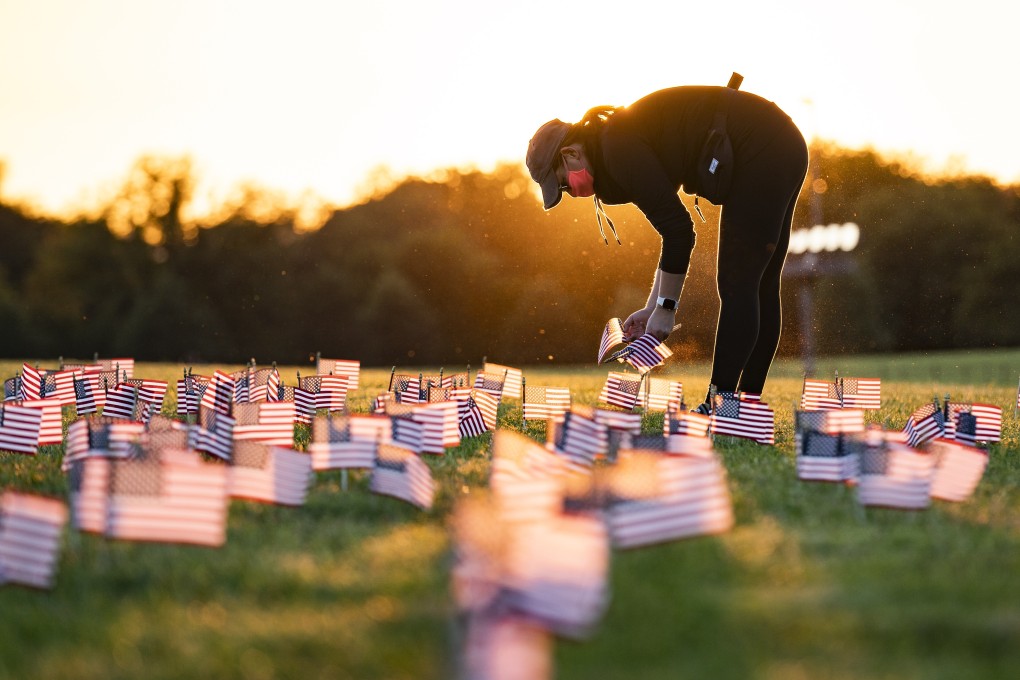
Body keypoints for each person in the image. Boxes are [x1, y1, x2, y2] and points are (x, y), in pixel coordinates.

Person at [526, 83, 809, 412]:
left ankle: (722, 408)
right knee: (757, 286)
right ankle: (741, 409)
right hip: (779, 141)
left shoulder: (618, 149)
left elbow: (679, 231)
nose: (570, 192)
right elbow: (673, 232)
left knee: (737, 285)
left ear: (571, 153)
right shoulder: (614, 142)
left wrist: (666, 308)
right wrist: (651, 309)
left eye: (562, 182)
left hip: (762, 145)